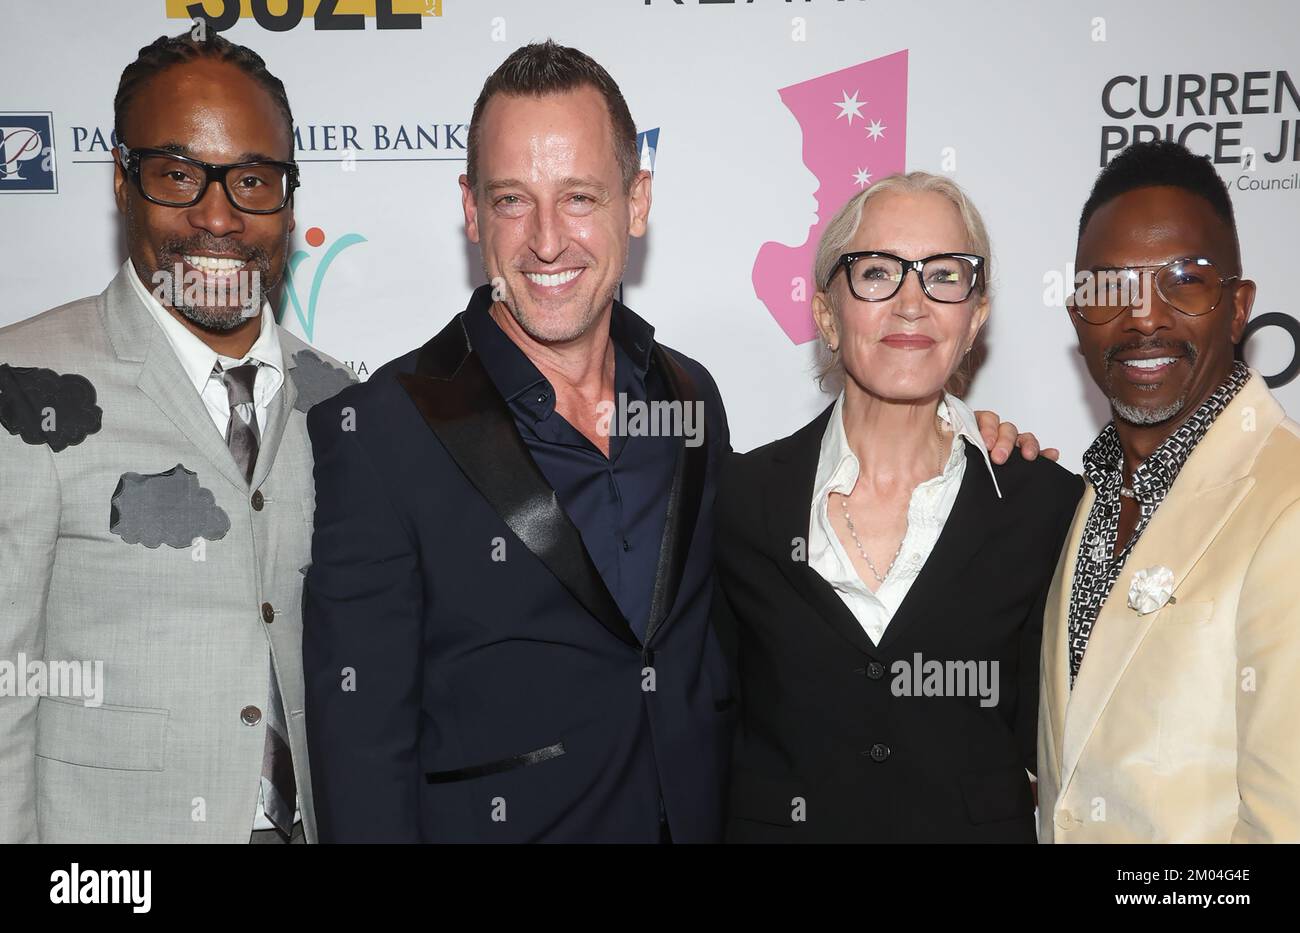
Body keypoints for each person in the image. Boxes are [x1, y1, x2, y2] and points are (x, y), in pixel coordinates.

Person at [300, 42, 1042, 844]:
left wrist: (964, 427)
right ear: (472, 209)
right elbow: (361, 758)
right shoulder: (381, 430)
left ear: (637, 199)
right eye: (513, 199)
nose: (548, 241)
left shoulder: (689, 399)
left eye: (581, 196)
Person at [0, 31, 354, 843]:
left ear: (290, 200)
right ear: (122, 182)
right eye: (179, 174)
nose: (219, 215)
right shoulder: (22, 385)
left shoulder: (343, 401)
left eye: (253, 180)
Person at [713, 172, 1082, 842]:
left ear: (974, 317)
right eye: (877, 272)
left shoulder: (1046, 507)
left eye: (944, 275)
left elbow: (1066, 751)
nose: (911, 302)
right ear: (827, 315)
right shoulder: (737, 501)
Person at [1037, 140, 1300, 843]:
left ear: (1238, 307)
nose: (1144, 318)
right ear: (1076, 318)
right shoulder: (1082, 496)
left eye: (1184, 280)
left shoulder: (1288, 506)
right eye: (1110, 288)